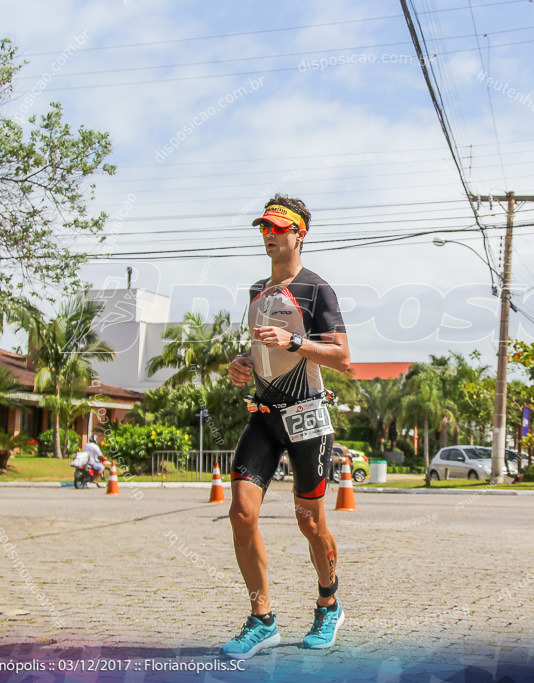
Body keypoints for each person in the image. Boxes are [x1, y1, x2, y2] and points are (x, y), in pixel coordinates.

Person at [222, 195, 350, 659]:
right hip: (263, 415)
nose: (270, 235)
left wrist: (296, 341)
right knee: (240, 512)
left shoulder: (318, 290)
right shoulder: (257, 289)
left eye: (279, 227)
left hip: (308, 417)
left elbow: (343, 359)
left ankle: (328, 602)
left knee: (309, 522)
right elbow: (263, 354)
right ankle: (263, 619)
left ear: (300, 234)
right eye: (264, 228)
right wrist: (242, 363)